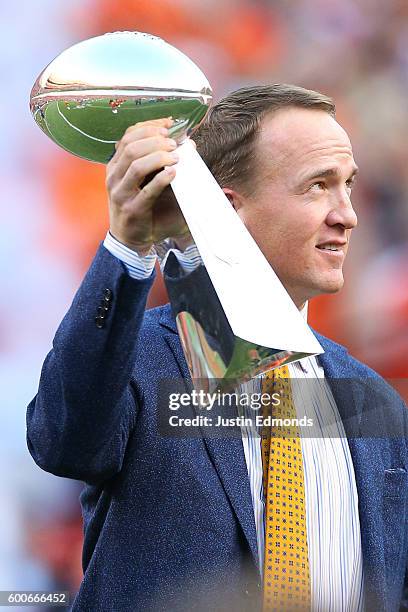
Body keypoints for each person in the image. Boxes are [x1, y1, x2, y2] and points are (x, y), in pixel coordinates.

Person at [26, 84, 408, 612]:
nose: (347, 215)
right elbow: (62, 441)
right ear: (230, 210)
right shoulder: (138, 358)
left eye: (348, 186)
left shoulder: (373, 397)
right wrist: (129, 247)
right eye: (318, 186)